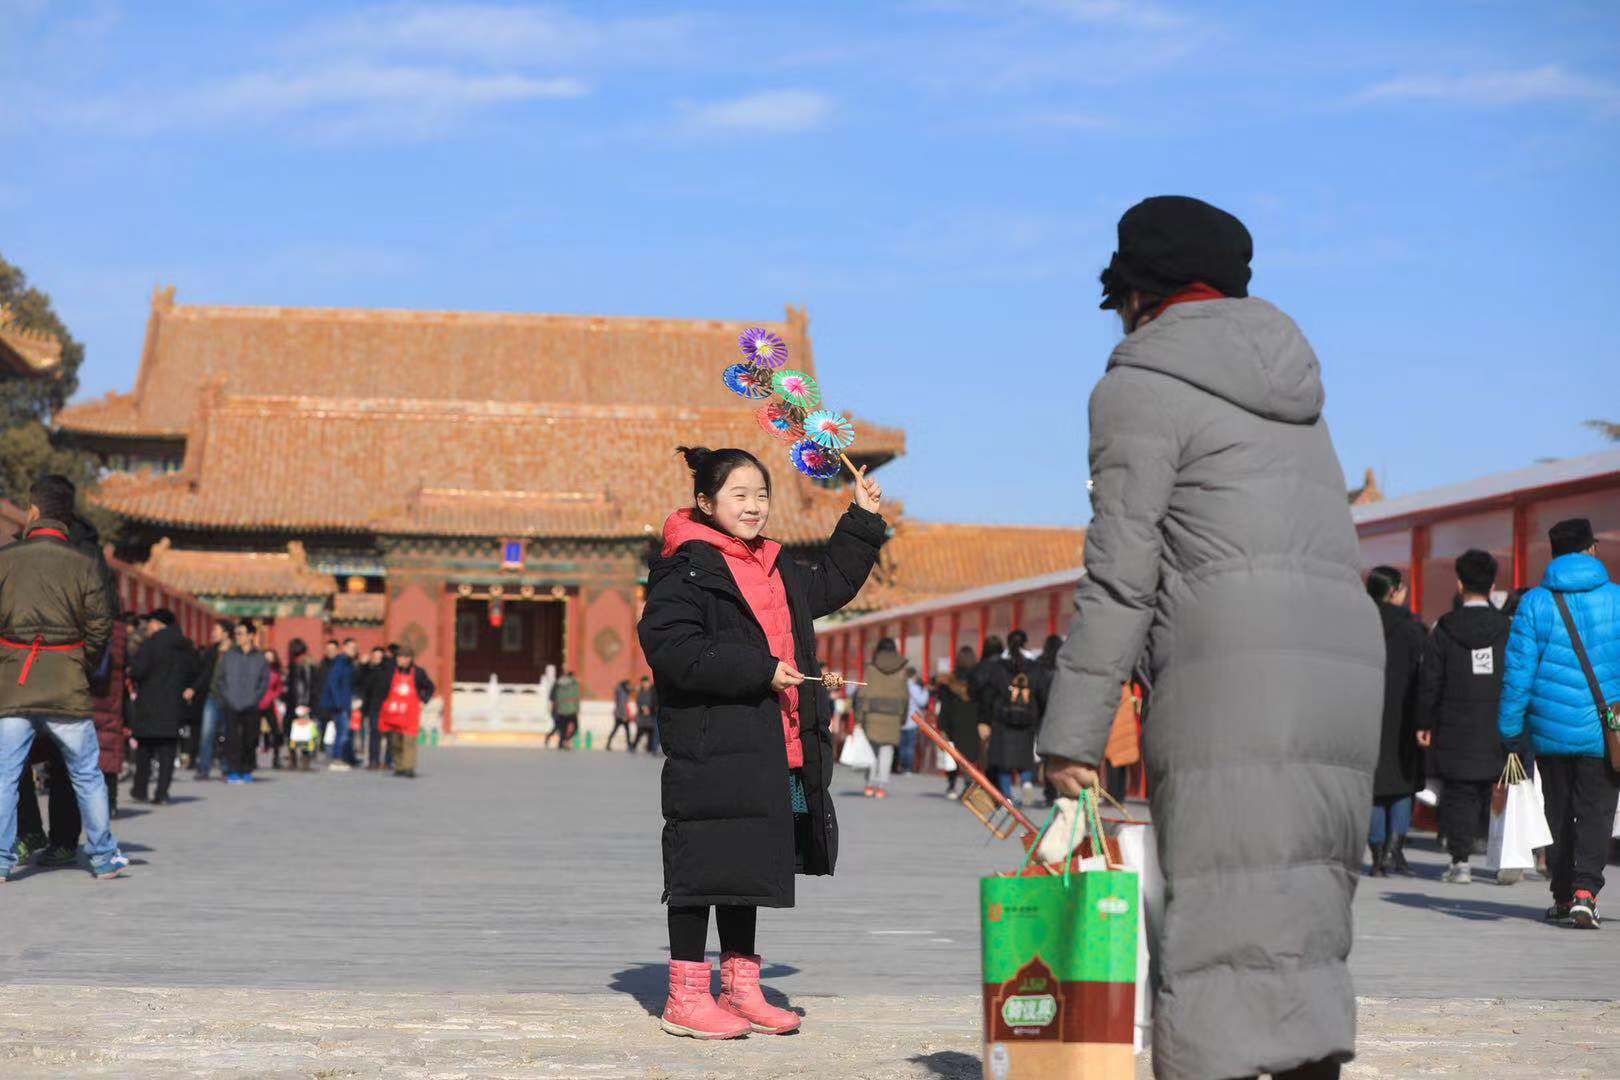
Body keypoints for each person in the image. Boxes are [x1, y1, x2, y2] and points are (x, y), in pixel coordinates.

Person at [1037, 197, 1382, 1080]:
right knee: (1302, 907)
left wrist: (1072, 736)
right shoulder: (1295, 390)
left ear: (1137, 293)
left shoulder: (1138, 387)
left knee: (1214, 914)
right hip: (1342, 670)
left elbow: (1122, 574)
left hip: (1230, 669)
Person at [638, 445, 884, 1039]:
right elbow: (671, 648)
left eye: (762, 495)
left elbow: (829, 585)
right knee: (701, 864)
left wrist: (861, 518)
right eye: (740, 495)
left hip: (772, 743)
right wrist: (759, 669)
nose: (754, 506)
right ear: (706, 503)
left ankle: (740, 988)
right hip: (713, 742)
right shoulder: (684, 568)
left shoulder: (775, 565)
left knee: (745, 863)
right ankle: (685, 996)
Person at [0, 474, 128, 881]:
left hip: (16, 684)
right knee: (86, 774)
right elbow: (101, 625)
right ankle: (103, 857)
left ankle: (1, 860)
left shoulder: (6, 559)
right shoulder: (84, 563)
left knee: (5, 775)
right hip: (67, 683)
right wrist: (81, 662)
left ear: (34, 511)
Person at [1499, 518, 1620, 930]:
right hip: (1604, 731)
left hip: (1550, 731)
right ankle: (1586, 894)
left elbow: (1517, 675)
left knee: (1559, 811)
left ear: (1553, 553)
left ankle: (1564, 894)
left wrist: (1509, 730)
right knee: (1596, 811)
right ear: (1591, 549)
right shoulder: (1616, 599)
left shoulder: (1534, 603)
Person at [1417, 550, 1512, 885]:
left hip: (1454, 723)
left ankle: (1460, 862)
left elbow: (1430, 680)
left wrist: (1424, 721)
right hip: (1496, 721)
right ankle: (1496, 854)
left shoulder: (1444, 628)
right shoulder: (1506, 628)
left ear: (1459, 584)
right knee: (1494, 788)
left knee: (1459, 792)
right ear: (1492, 585)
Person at [1364, 565, 1426, 877]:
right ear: (1393, 591)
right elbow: (1424, 677)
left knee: (1373, 785)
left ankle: (1377, 856)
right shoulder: (1413, 628)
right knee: (1403, 783)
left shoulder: (1357, 624)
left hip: (1365, 713)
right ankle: (1394, 849)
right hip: (1405, 714)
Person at [128, 609, 195, 805]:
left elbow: (138, 671)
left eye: (149, 623)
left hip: (149, 703)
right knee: (167, 751)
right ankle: (162, 793)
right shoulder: (184, 646)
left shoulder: (150, 645)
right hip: (173, 705)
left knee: (145, 750)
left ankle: (140, 790)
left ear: (157, 623)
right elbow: (193, 672)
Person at [218, 620, 270, 784]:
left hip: (251, 704)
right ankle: (233, 770)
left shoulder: (260, 658)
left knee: (250, 738)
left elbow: (264, 681)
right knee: (232, 739)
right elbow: (220, 679)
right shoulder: (229, 655)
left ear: (251, 635)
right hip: (231, 703)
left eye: (241, 634)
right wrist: (227, 696)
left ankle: (246, 769)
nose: (237, 637)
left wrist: (255, 697)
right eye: (236, 634)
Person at [856, 639, 909, 798]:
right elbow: (905, 696)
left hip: (872, 712)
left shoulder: (871, 668)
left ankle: (869, 784)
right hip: (893, 714)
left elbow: (862, 693)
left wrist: (859, 716)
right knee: (887, 750)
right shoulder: (901, 669)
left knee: (871, 749)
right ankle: (881, 786)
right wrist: (903, 716)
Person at [378, 645, 435, 779]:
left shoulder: (418, 673)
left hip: (410, 713)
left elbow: (430, 687)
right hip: (393, 712)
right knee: (395, 741)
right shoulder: (391, 671)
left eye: (402, 657)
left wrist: (423, 700)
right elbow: (382, 688)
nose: (399, 660)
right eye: (398, 657)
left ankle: (409, 768)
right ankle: (399, 766)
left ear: (409, 659)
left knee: (409, 740)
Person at [185, 620, 232, 778]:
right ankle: (203, 768)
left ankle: (227, 766)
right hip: (212, 697)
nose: (212, 633)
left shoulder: (235, 652)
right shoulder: (212, 651)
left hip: (230, 698)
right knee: (207, 733)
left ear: (226, 633)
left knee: (227, 733)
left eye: (216, 630)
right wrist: (193, 688)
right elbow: (205, 674)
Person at [934, 646, 982, 799]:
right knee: (970, 755)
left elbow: (944, 704)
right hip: (972, 720)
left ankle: (951, 785)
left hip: (953, 720)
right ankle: (968, 783)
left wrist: (942, 725)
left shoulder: (950, 681)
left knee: (951, 754)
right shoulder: (977, 681)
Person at [282, 638, 320, 771]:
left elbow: (305, 687)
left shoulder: (302, 665)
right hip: (299, 703)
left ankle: (299, 759)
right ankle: (300, 760)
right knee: (299, 732)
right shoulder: (304, 664)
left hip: (299, 704)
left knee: (299, 731)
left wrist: (304, 704)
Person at [320, 639, 357, 770]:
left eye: (355, 648)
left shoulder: (349, 663)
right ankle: (337, 759)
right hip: (340, 704)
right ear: (344, 648)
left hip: (346, 702)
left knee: (344, 732)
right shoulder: (341, 662)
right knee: (342, 732)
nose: (353, 650)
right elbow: (333, 683)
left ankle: (345, 757)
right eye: (351, 647)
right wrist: (338, 702)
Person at [361, 645, 389, 769]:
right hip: (373, 706)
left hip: (386, 706)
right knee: (374, 733)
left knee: (388, 734)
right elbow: (361, 683)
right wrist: (363, 666)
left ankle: (388, 761)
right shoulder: (368, 670)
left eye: (379, 656)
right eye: (375, 656)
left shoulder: (387, 670)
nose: (377, 658)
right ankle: (374, 760)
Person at [259, 648, 285, 769]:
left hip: (270, 704)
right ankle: (250, 759)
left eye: (271, 657)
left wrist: (274, 696)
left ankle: (276, 757)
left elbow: (279, 687)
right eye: (266, 656)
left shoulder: (276, 672)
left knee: (276, 731)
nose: (269, 659)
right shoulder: (257, 670)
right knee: (253, 732)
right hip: (257, 703)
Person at [899, 667, 927, 774]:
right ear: (914, 675)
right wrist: (925, 691)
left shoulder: (901, 686)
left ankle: (902, 766)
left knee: (902, 746)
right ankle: (908, 768)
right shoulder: (914, 687)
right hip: (912, 720)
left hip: (901, 720)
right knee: (910, 746)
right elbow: (922, 701)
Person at [550, 670, 582, 748]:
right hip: (571, 709)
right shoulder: (574, 684)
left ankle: (561, 743)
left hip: (561, 710)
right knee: (576, 728)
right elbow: (576, 697)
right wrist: (577, 709)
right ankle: (566, 740)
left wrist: (556, 708)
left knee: (562, 728)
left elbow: (552, 696)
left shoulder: (557, 684)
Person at [631, 675, 659, 753]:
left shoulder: (652, 692)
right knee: (640, 731)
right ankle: (633, 746)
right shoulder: (640, 692)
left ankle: (650, 748)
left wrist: (650, 709)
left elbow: (654, 701)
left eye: (646, 683)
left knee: (651, 732)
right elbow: (638, 702)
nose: (645, 684)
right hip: (642, 716)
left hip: (651, 715)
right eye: (643, 683)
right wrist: (642, 708)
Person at [609, 677, 636, 751]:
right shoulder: (622, 693)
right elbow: (622, 705)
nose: (629, 687)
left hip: (619, 714)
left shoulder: (621, 691)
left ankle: (608, 744)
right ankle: (629, 746)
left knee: (619, 730)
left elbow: (630, 690)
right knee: (624, 731)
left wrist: (635, 689)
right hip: (621, 715)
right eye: (628, 685)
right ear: (625, 685)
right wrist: (624, 716)